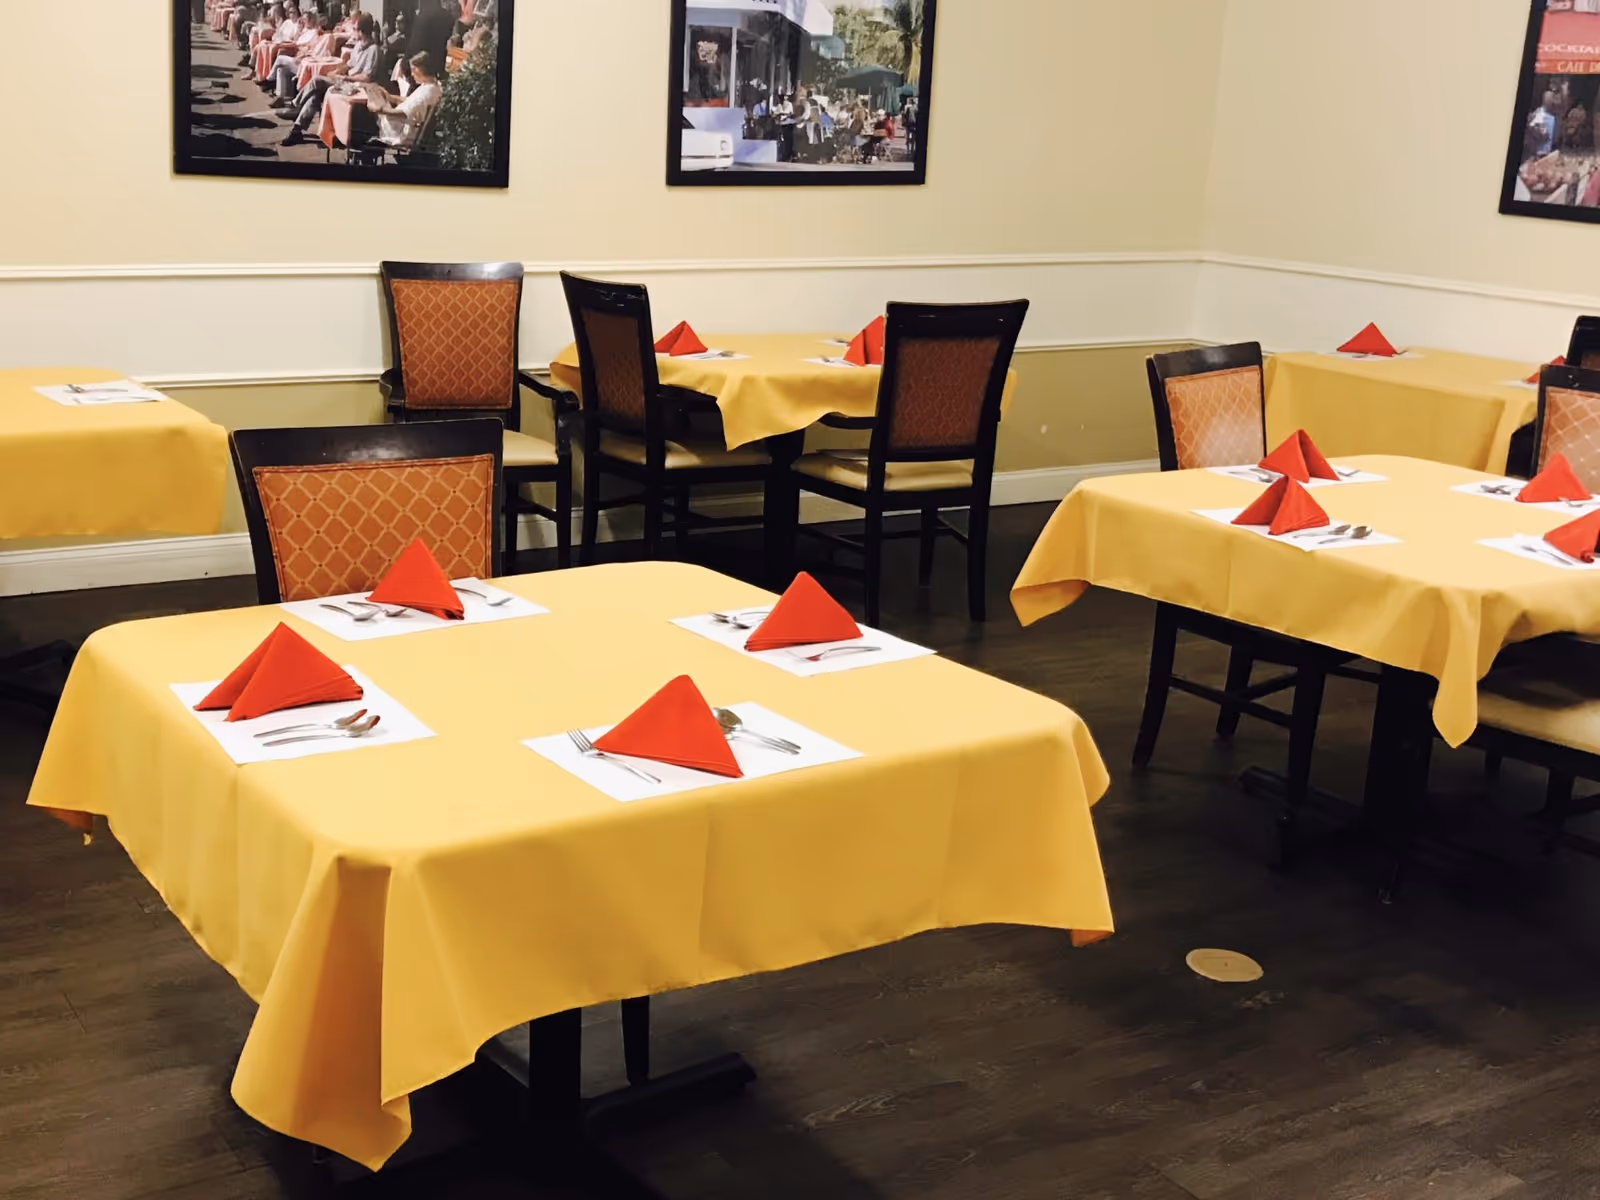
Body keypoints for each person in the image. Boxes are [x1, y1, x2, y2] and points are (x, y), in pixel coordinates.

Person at [281, 10, 378, 144]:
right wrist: (338, 71)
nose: (353, 32)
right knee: (315, 96)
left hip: (357, 87)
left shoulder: (373, 50)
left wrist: (344, 78)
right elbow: (349, 65)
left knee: (316, 80)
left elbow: (367, 77)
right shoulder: (359, 46)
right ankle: (296, 130)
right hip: (345, 82)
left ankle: (295, 105)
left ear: (362, 31)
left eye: (355, 29)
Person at [364, 50, 443, 150]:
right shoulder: (431, 86)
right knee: (374, 92)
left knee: (367, 111)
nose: (412, 74)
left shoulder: (427, 92)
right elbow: (410, 101)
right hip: (402, 123)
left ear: (420, 70)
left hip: (401, 131)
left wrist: (380, 110)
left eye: (413, 70)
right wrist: (390, 97)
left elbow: (404, 112)